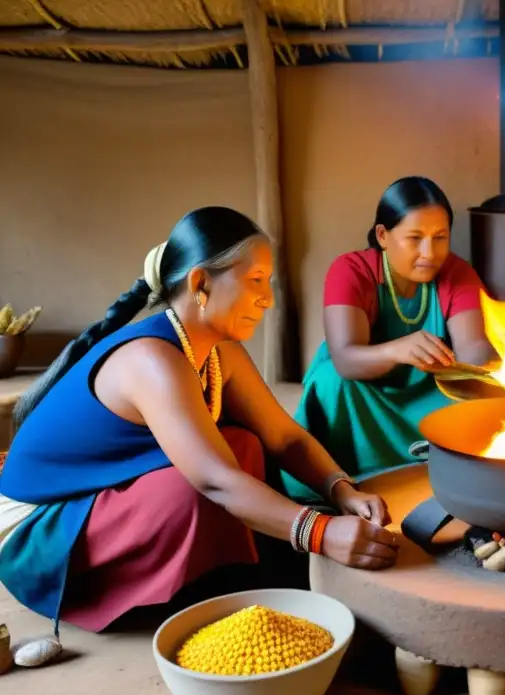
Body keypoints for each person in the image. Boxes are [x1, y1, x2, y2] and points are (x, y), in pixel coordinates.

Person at [0, 206, 399, 634]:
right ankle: (183, 593)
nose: (267, 298)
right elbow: (215, 482)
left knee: (242, 445)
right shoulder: (150, 360)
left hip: (100, 506)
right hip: (39, 533)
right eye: (255, 281)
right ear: (200, 284)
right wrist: (319, 533)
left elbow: (284, 438)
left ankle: (220, 574)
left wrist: (342, 490)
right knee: (194, 487)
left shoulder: (217, 350)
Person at [279, 177, 493, 502]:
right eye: (415, 238)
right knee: (331, 382)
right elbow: (346, 359)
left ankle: (440, 475)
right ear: (383, 235)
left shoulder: (457, 273)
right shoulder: (351, 271)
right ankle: (343, 484)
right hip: (364, 390)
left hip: (429, 392)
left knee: (487, 396)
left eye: (440, 238)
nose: (429, 253)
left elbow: (473, 349)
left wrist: (491, 366)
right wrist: (398, 350)